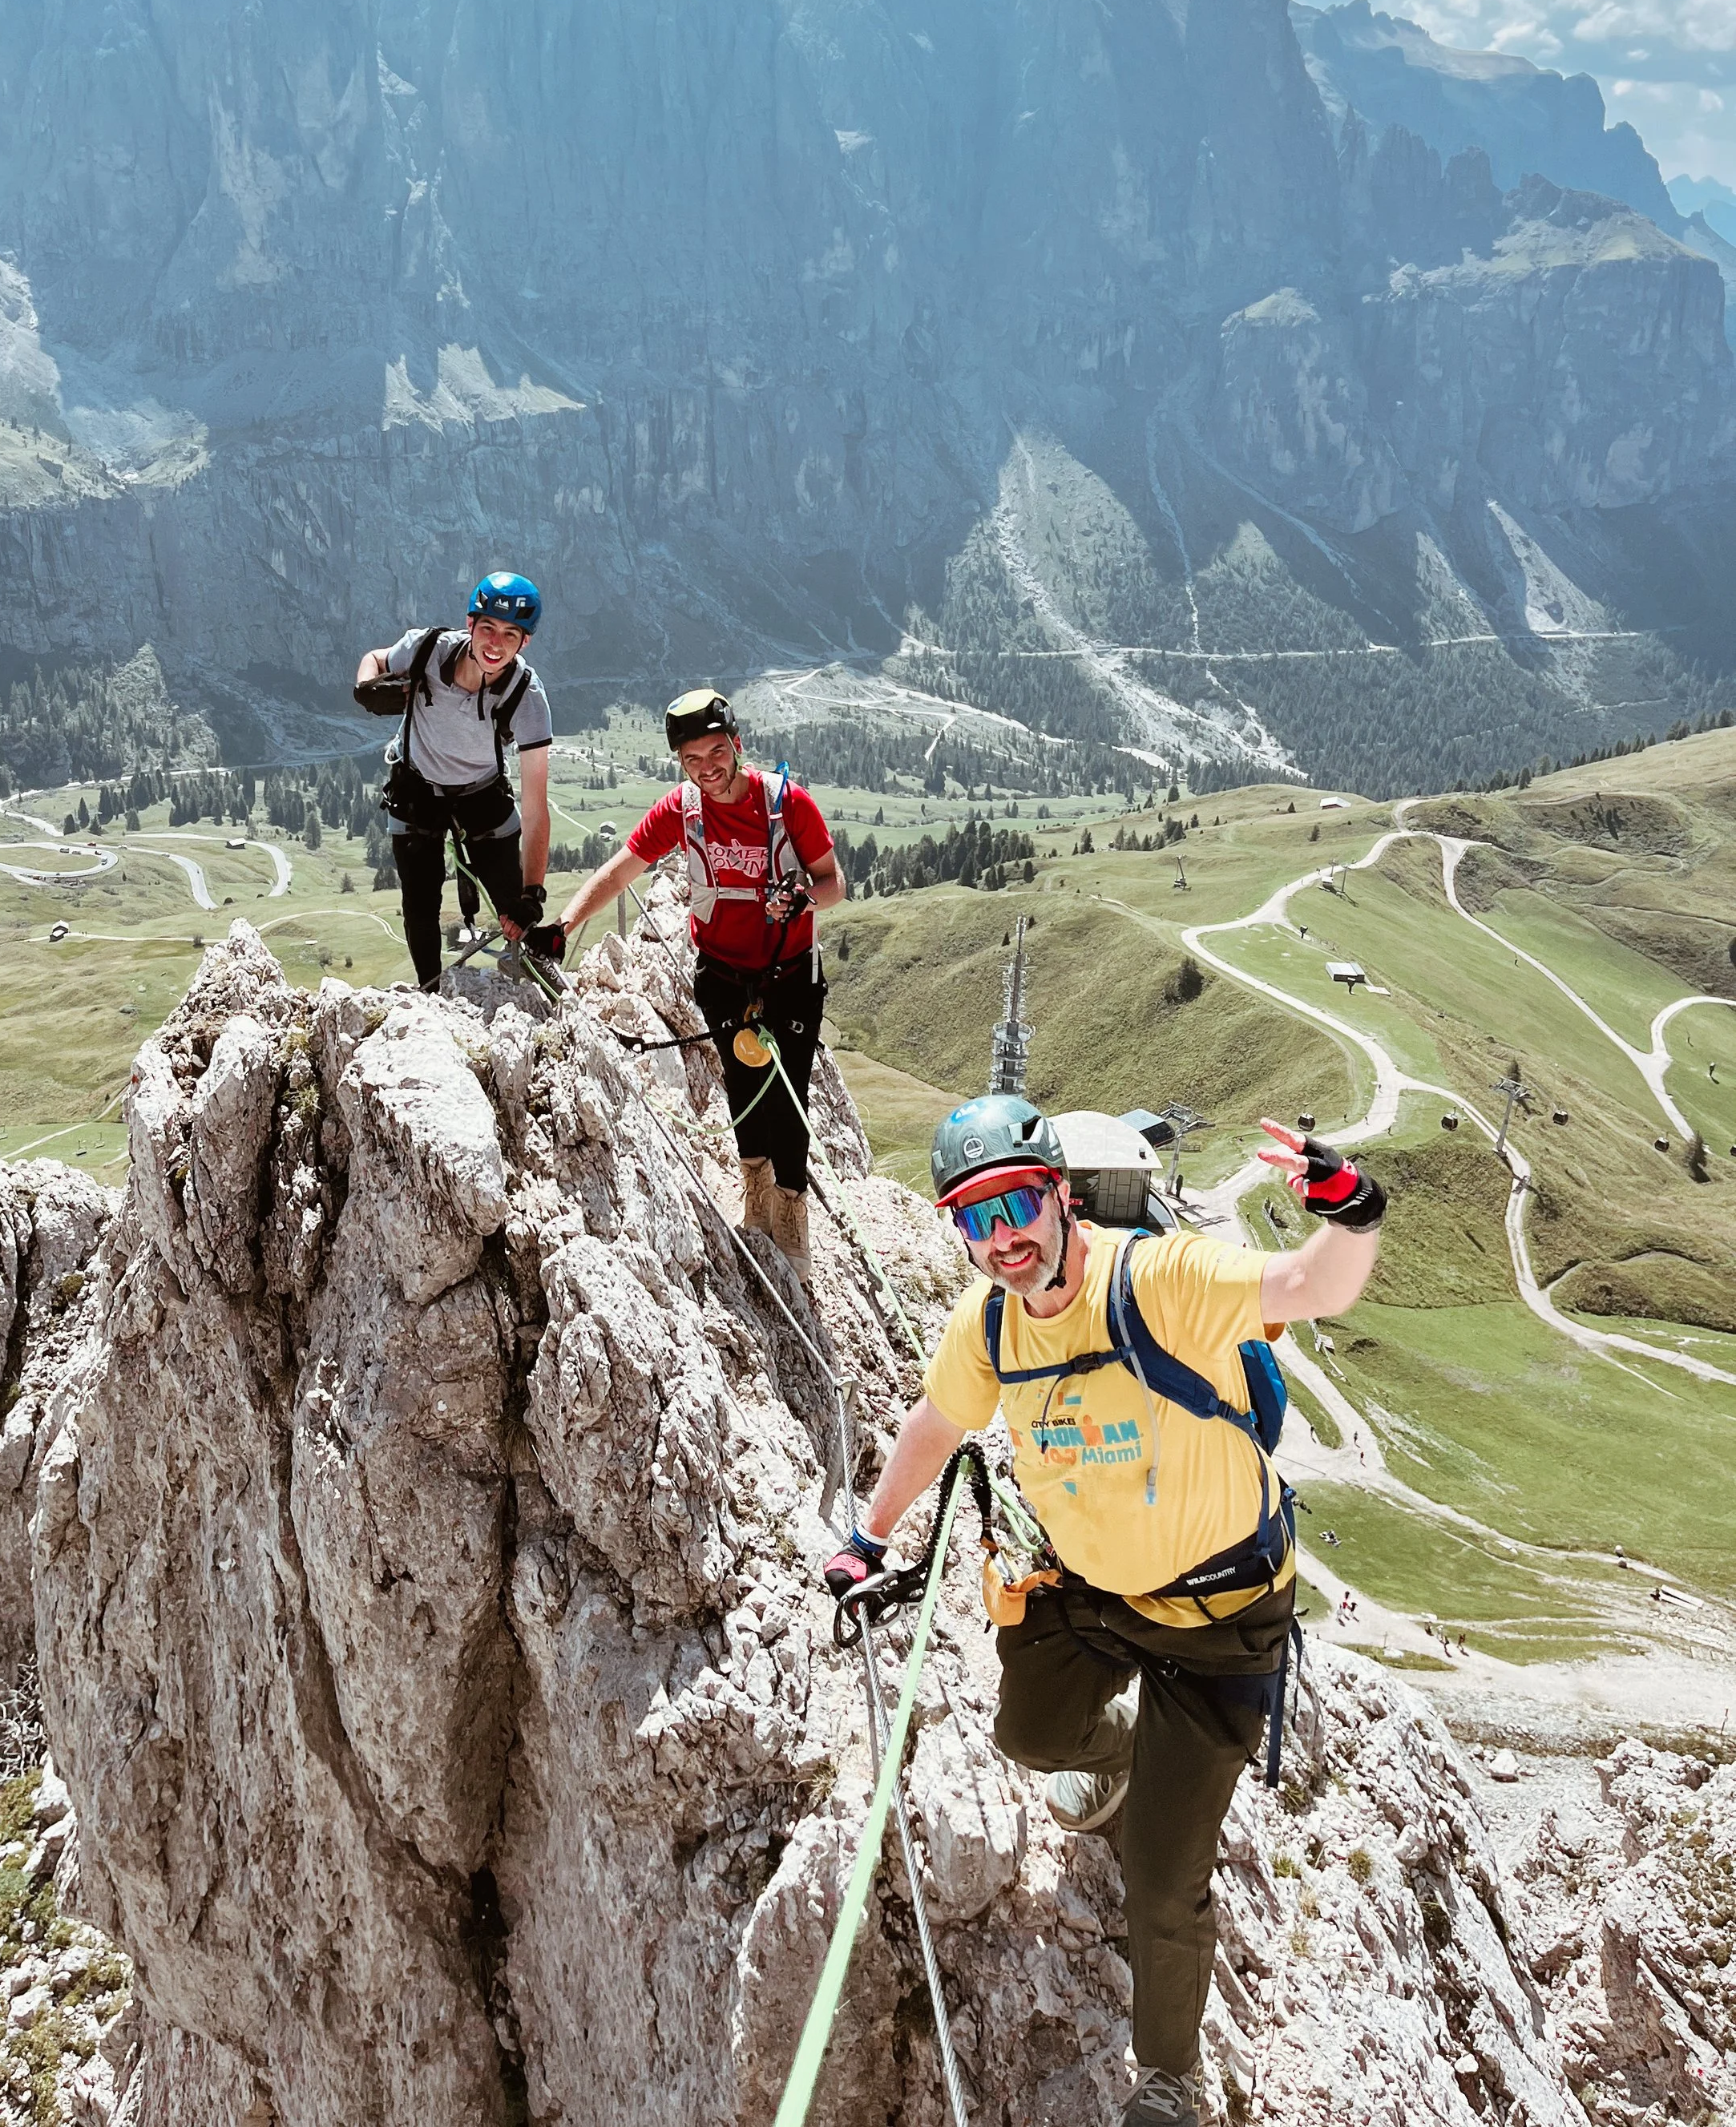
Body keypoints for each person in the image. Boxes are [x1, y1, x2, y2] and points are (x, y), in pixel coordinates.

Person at [823, 1094, 1385, 2127]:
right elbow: (937, 1422)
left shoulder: (1158, 1282)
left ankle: (1171, 2077)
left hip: (1222, 1620)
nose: (1002, 1239)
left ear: (1061, 1198)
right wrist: (870, 1536)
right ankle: (1122, 1746)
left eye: (1016, 1206)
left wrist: (1348, 1209)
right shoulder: (989, 1325)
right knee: (1029, 1736)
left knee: (1161, 1883)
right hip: (1097, 1593)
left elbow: (1312, 1285)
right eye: (974, 1220)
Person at [533, 688, 845, 1276]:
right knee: (744, 1083)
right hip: (722, 974)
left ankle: (791, 1209)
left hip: (790, 974)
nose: (708, 768)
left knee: (789, 1095)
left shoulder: (788, 805)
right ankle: (756, 1191)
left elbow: (833, 882)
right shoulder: (681, 810)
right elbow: (621, 868)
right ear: (680, 762)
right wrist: (565, 924)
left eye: (716, 752)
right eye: (692, 759)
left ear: (737, 746)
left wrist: (802, 895)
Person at [353, 573, 554, 990]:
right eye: (488, 629)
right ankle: (429, 993)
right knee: (420, 904)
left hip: (482, 794)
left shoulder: (526, 694)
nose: (495, 644)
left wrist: (533, 893)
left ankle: (538, 976)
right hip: (416, 789)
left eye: (509, 635)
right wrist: (367, 688)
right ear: (470, 624)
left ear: (524, 643)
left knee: (512, 901)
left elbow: (536, 806)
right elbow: (376, 658)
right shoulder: (426, 648)